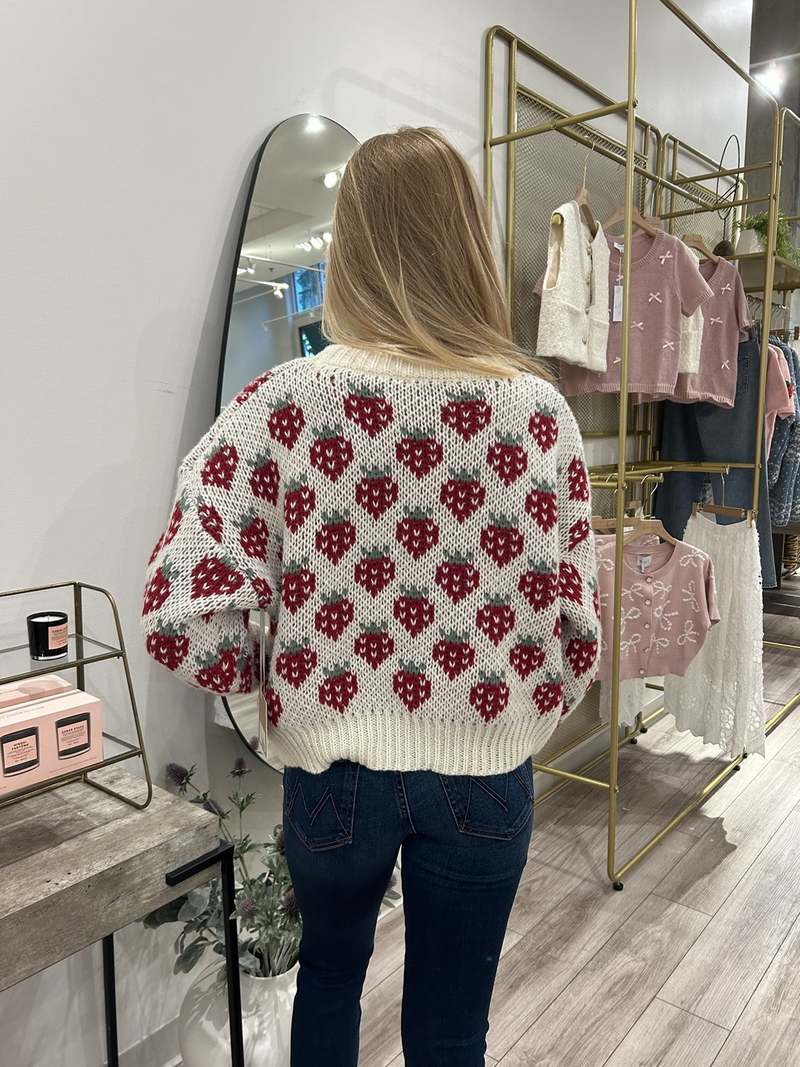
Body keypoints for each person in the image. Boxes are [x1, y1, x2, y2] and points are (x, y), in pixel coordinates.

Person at [143, 126, 600, 1067]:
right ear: (469, 241)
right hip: (486, 771)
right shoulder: (539, 414)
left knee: (327, 983)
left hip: (334, 778)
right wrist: (518, 718)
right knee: (450, 1030)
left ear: (348, 245)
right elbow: (575, 623)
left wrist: (264, 705)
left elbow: (187, 594)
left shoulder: (282, 404)